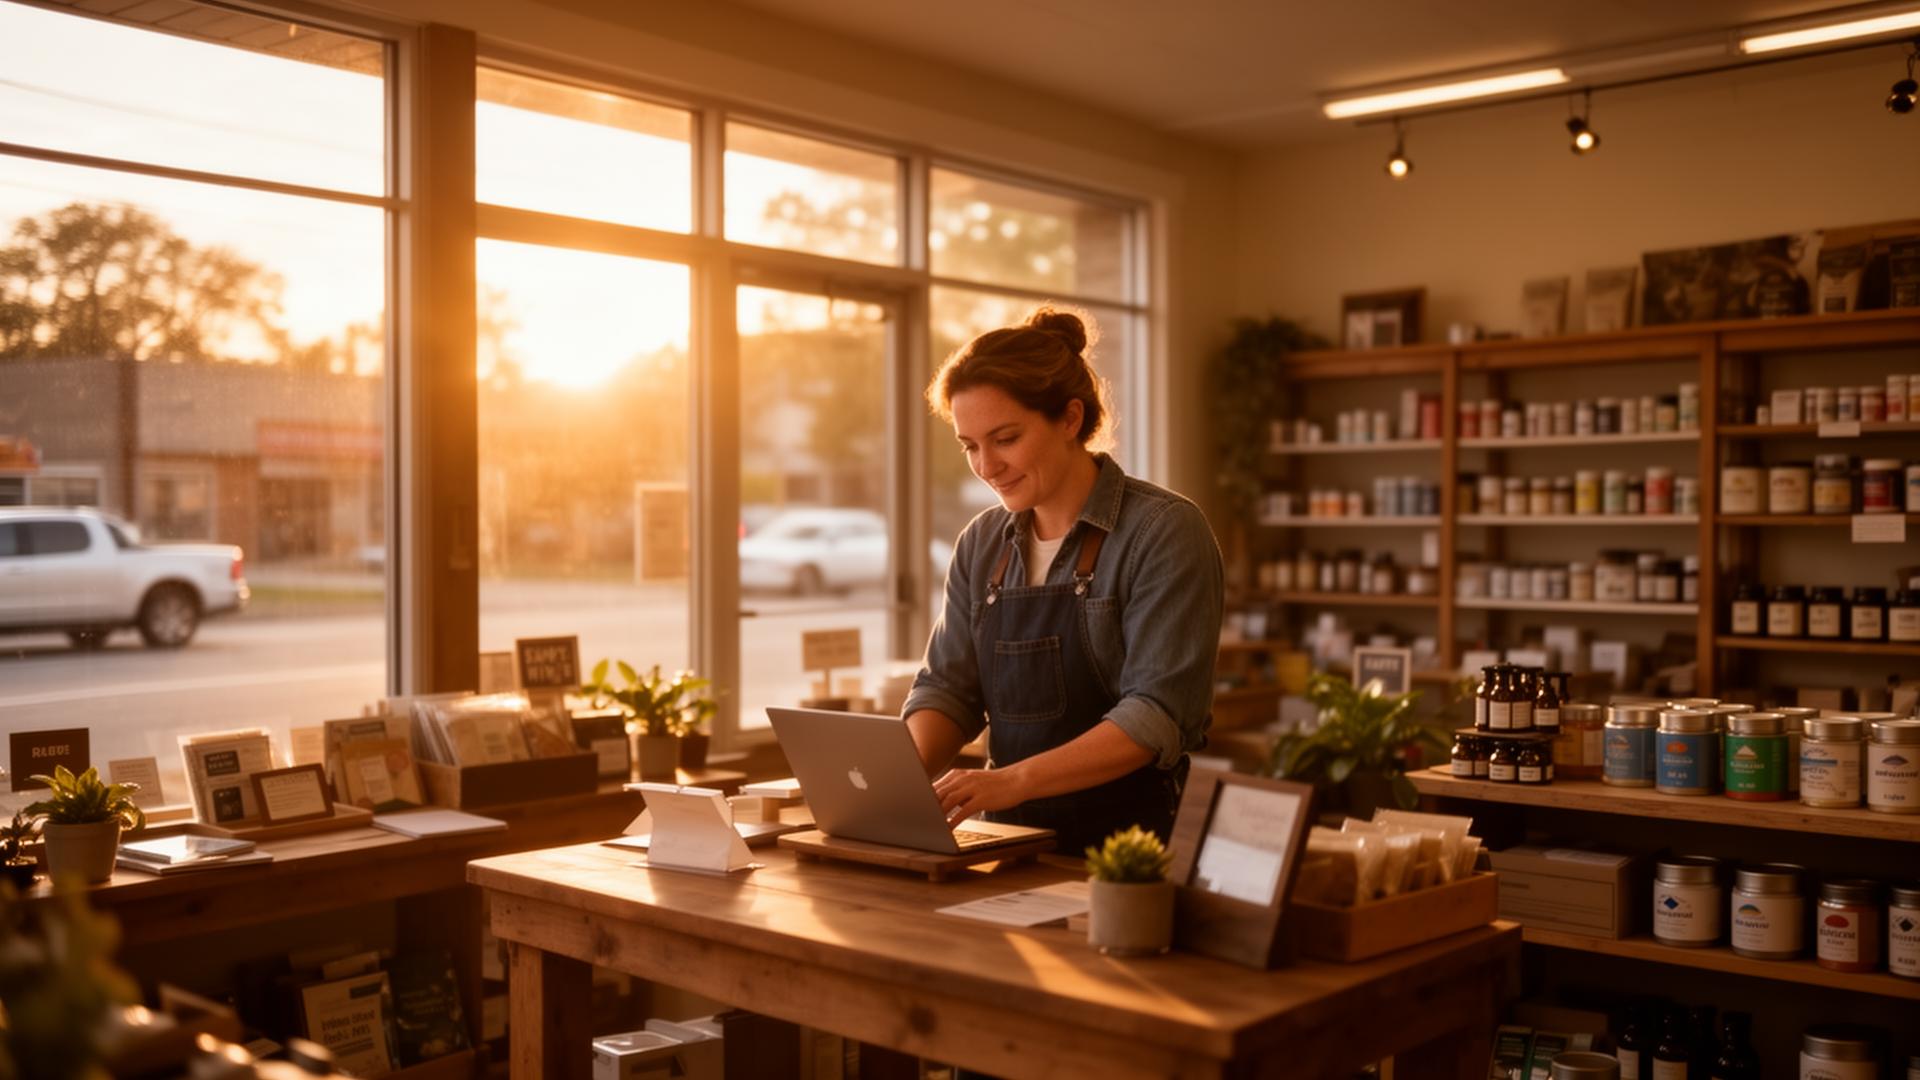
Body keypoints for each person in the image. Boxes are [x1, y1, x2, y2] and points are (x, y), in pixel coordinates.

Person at [901, 305, 1224, 856]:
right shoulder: (981, 543)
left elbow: (1155, 714)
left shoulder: (1162, 532)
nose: (986, 466)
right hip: (1004, 843)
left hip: (1128, 851)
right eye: (970, 445)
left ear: (1070, 419)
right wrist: (889, 781)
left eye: (1005, 438)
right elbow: (949, 690)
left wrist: (1008, 780)